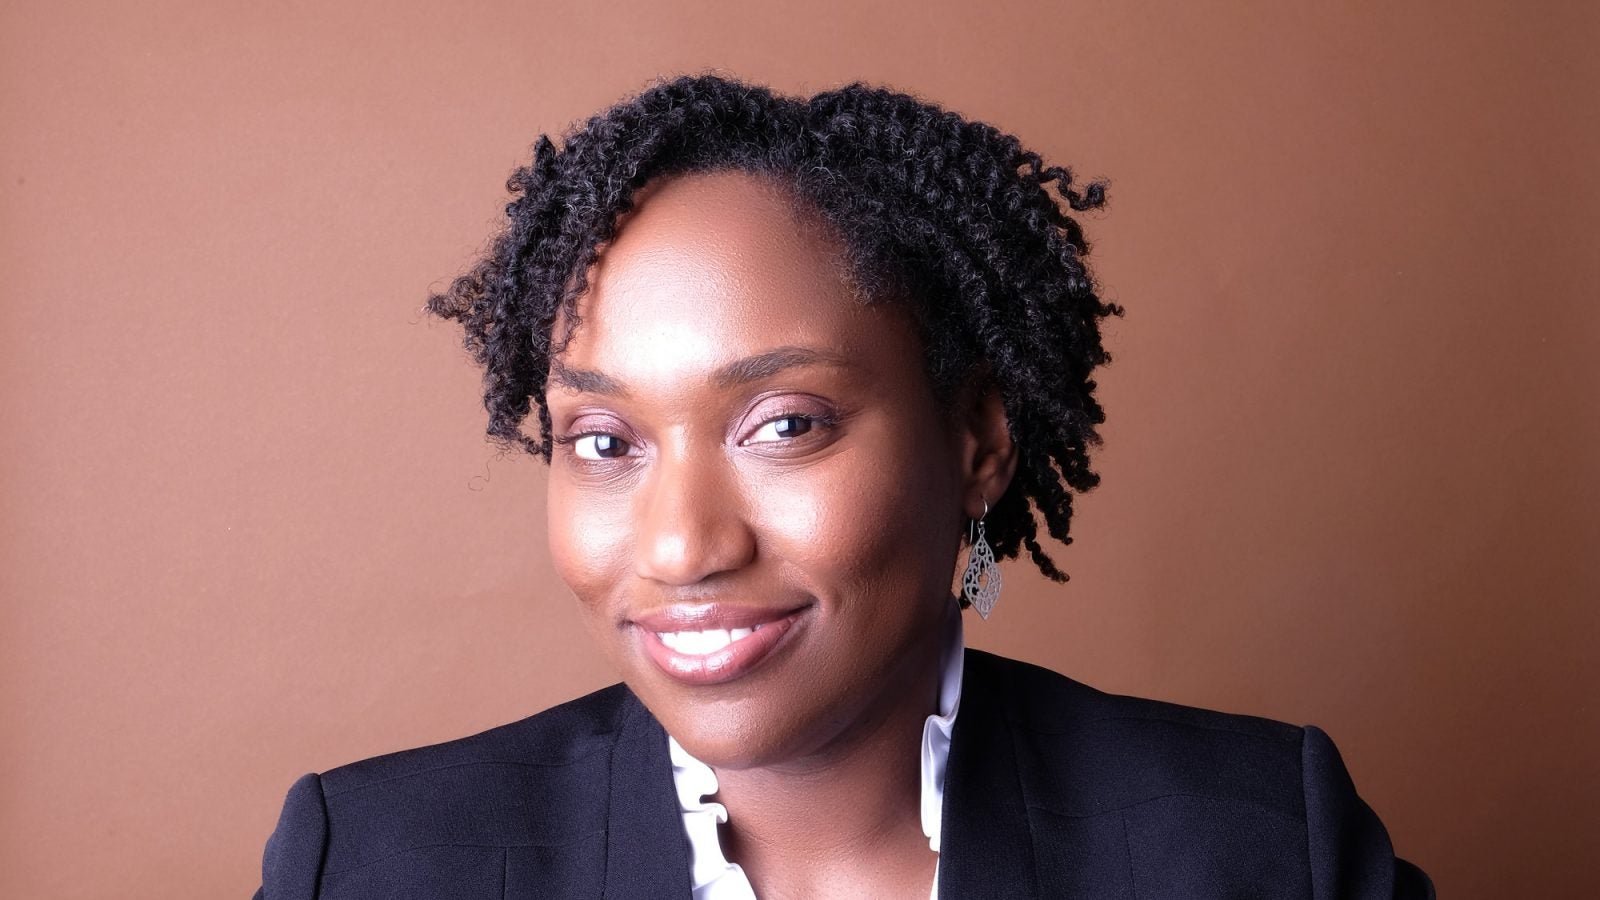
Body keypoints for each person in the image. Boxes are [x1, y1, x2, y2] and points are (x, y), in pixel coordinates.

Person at [253, 74, 1432, 899]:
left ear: (974, 442)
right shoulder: (371, 863)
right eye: (605, 441)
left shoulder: (1265, 846)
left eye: (783, 424)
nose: (681, 546)